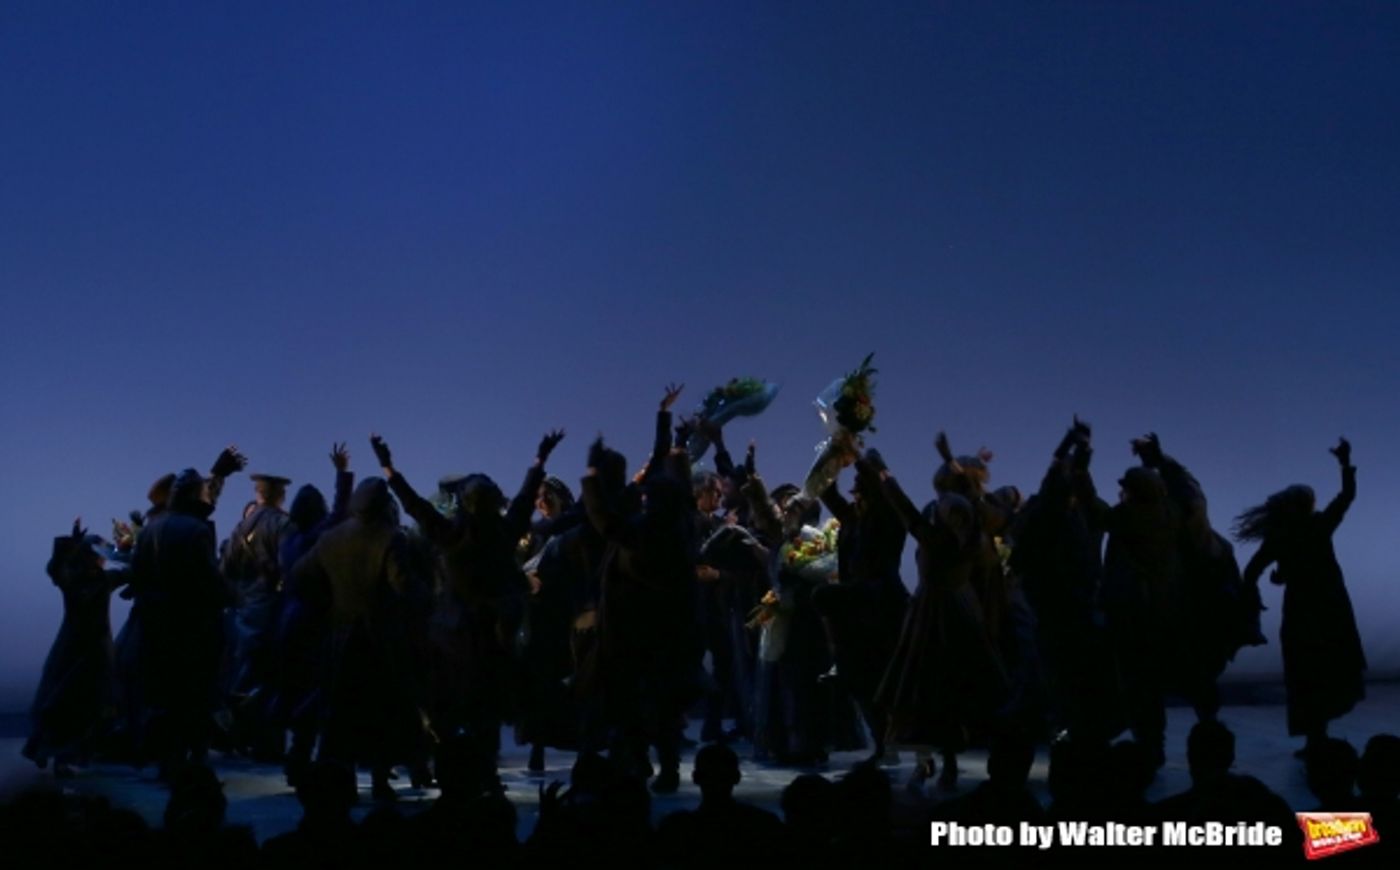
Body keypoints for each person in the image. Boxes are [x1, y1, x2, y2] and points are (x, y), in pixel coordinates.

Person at [290, 476, 421, 801]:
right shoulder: (391, 538)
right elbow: (403, 585)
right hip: (379, 637)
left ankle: (339, 780)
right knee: (382, 710)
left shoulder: (331, 538)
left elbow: (299, 576)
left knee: (340, 715)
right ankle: (379, 781)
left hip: (340, 635)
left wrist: (328, 604)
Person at [1235, 438, 1366, 757]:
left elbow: (1252, 571)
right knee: (1319, 669)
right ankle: (1316, 738)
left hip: (1307, 612)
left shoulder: (1282, 536)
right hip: (1327, 608)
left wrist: (1260, 589)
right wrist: (1344, 463)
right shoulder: (1316, 526)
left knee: (1307, 671)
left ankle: (1315, 738)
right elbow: (1346, 497)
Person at [131, 469, 229, 780]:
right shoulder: (196, 530)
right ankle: (195, 761)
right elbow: (208, 577)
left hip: (157, 624)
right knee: (195, 694)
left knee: (164, 695)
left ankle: (168, 760)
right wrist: (231, 595)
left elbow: (138, 576)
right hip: (193, 623)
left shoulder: (150, 531)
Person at [23, 520, 128, 775]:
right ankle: (51, 752)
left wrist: (128, 547)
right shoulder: (74, 579)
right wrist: (69, 544)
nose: (102, 560)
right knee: (62, 700)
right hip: (75, 647)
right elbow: (55, 568)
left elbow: (131, 572)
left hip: (92, 649)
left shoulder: (101, 579)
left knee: (84, 703)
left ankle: (63, 755)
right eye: (99, 555)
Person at [221, 470, 293, 760]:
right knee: (273, 676)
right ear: (280, 494)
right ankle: (268, 744)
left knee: (247, 673)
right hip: (274, 607)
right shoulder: (283, 524)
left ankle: (243, 736)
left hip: (247, 607)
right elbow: (291, 567)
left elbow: (226, 570)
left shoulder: (241, 527)